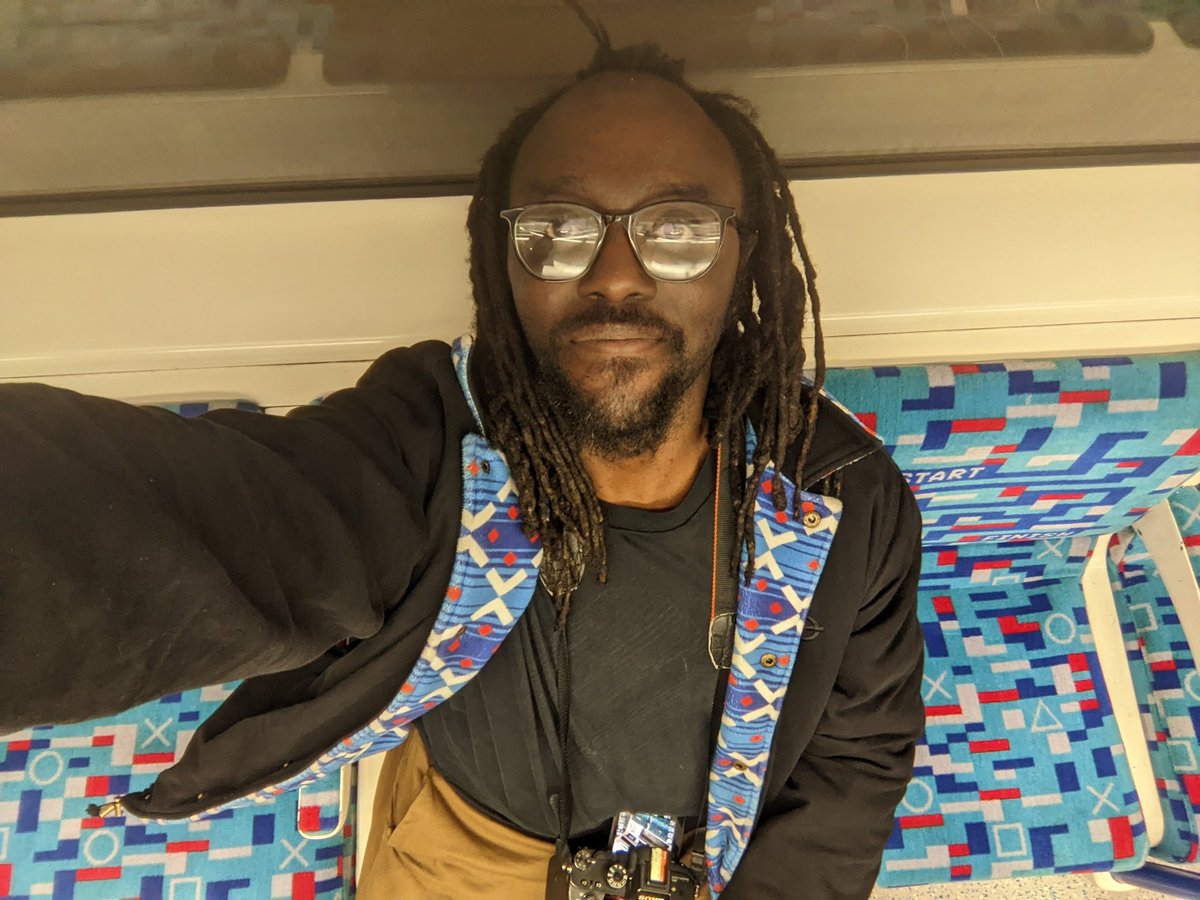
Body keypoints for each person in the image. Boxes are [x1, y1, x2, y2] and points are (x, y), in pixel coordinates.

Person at [0, 26, 923, 900]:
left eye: (676, 229)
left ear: (743, 251)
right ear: (502, 256)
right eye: (558, 229)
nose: (615, 273)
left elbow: (858, 753)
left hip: (701, 860)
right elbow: (152, 528)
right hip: (460, 851)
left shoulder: (839, 496)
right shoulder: (436, 443)